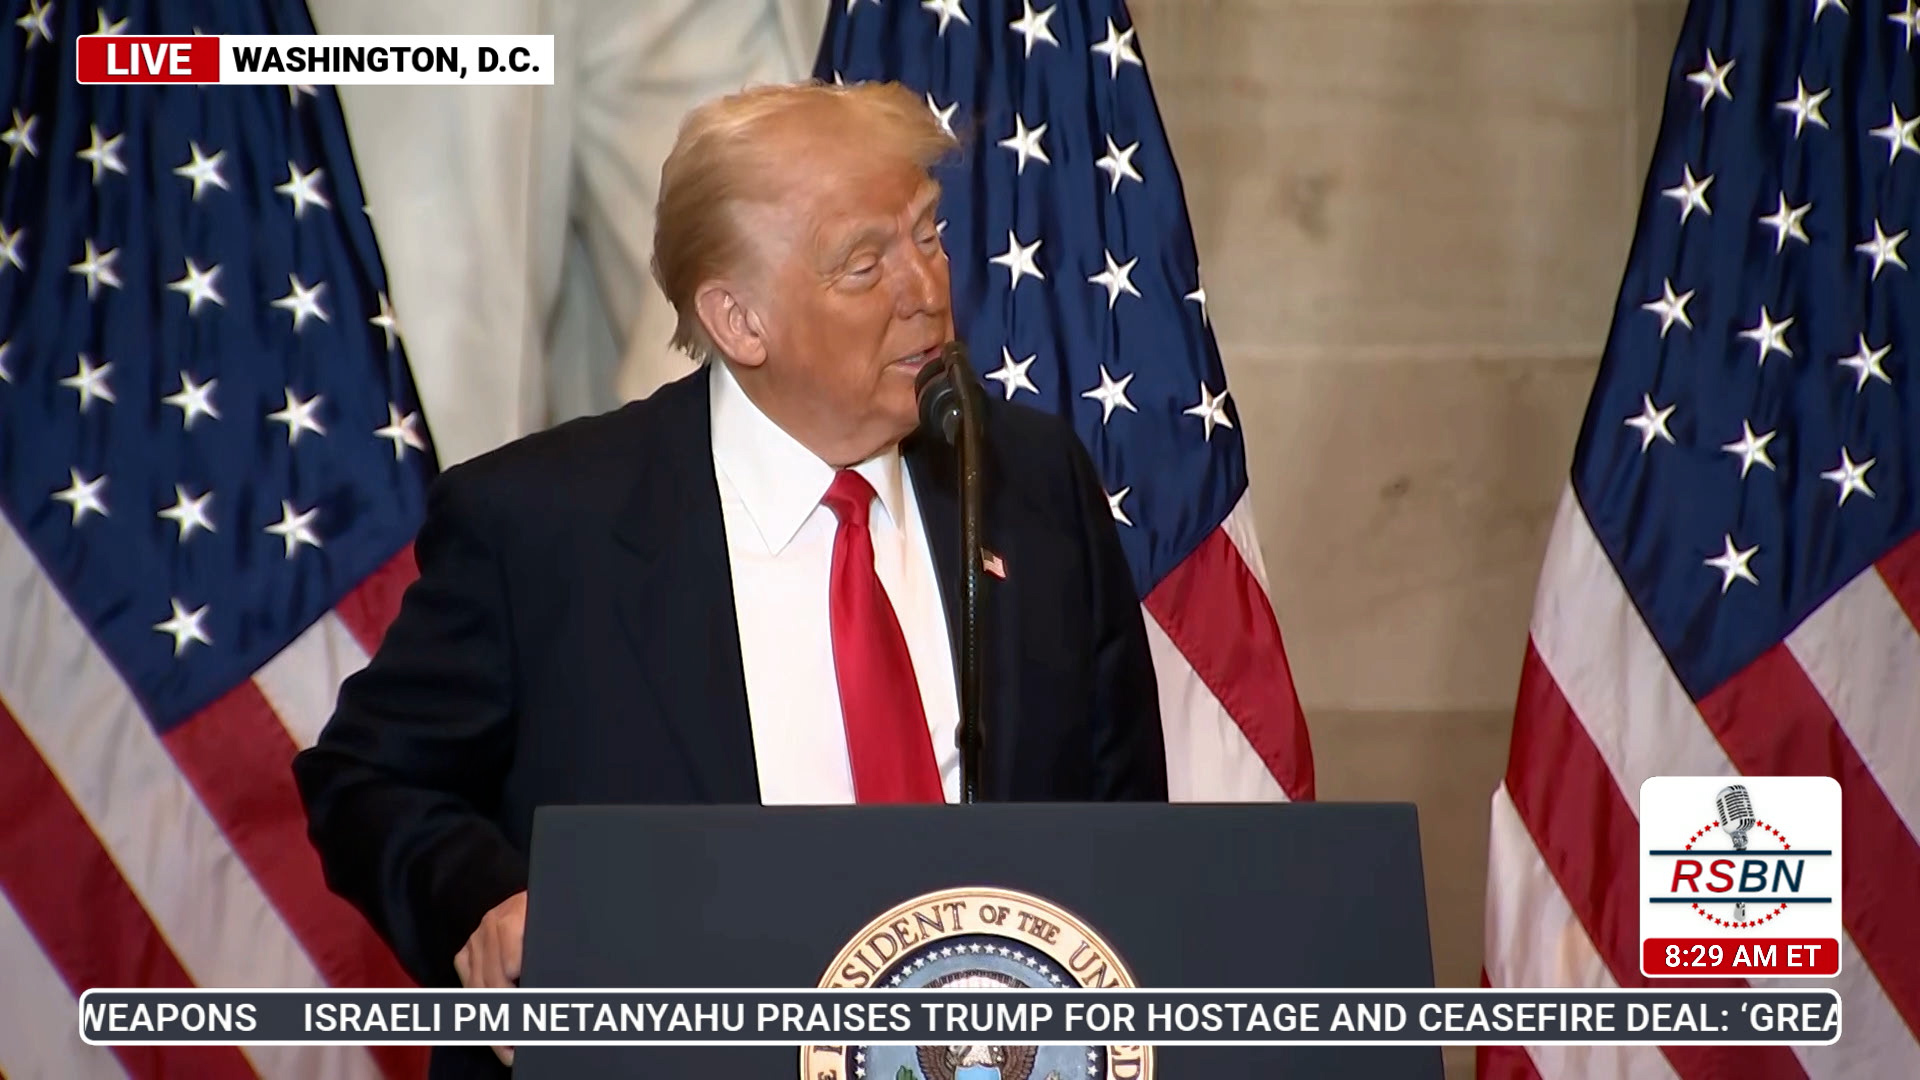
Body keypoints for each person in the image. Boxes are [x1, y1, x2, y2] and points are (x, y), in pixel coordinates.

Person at [292, 79, 1167, 1077]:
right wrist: (480, 901)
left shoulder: (1029, 482)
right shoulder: (544, 528)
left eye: (926, 233)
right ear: (739, 320)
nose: (923, 288)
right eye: (862, 262)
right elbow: (365, 778)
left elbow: (1122, 830)